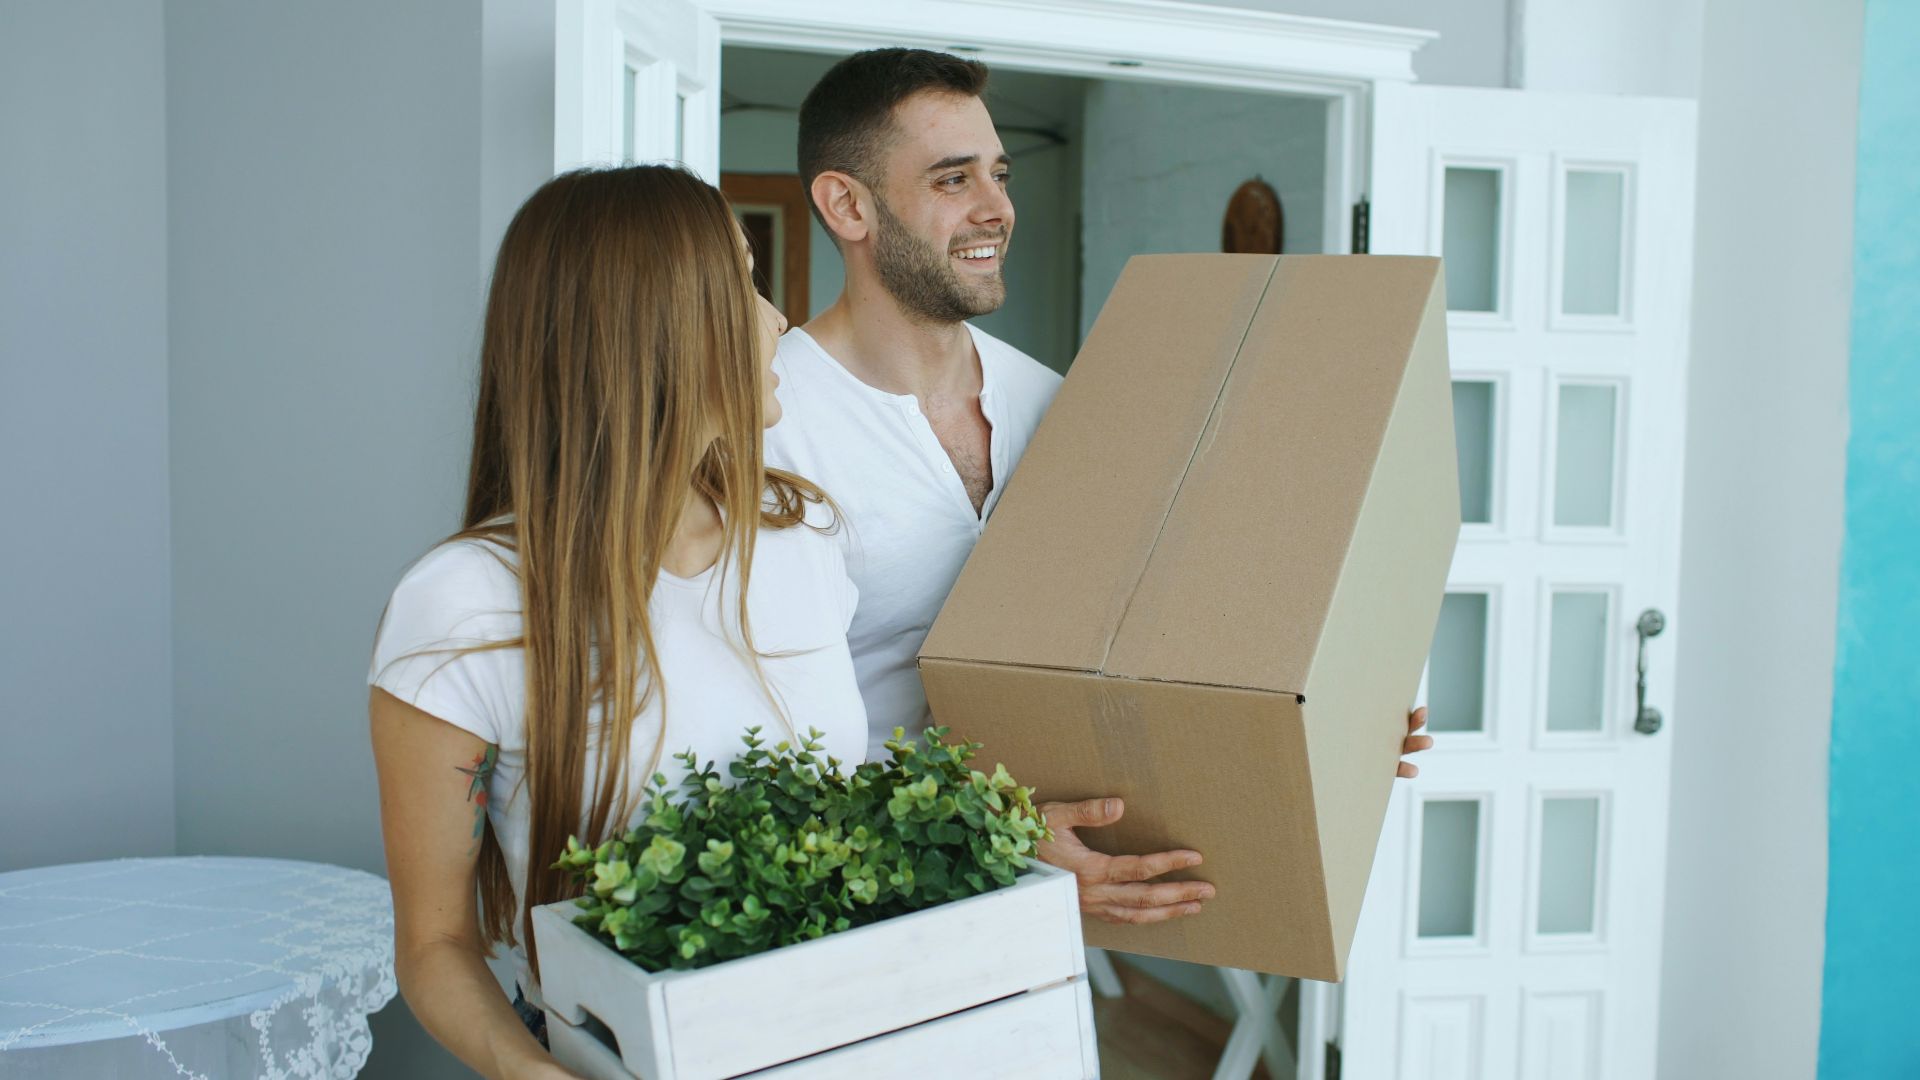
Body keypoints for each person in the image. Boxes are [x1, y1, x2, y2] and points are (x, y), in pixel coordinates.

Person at [764, 49, 1433, 927]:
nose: (996, 209)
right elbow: (750, 743)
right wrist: (981, 834)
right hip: (847, 916)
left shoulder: (1061, 404)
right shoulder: (768, 424)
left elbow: (1151, 635)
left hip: (1049, 907)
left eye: (999, 174)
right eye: (952, 179)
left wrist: (1327, 707)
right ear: (846, 204)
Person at [368, 165, 866, 1079]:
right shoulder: (463, 604)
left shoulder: (806, 538)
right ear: (654, 333)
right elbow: (435, 943)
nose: (778, 320)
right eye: (743, 286)